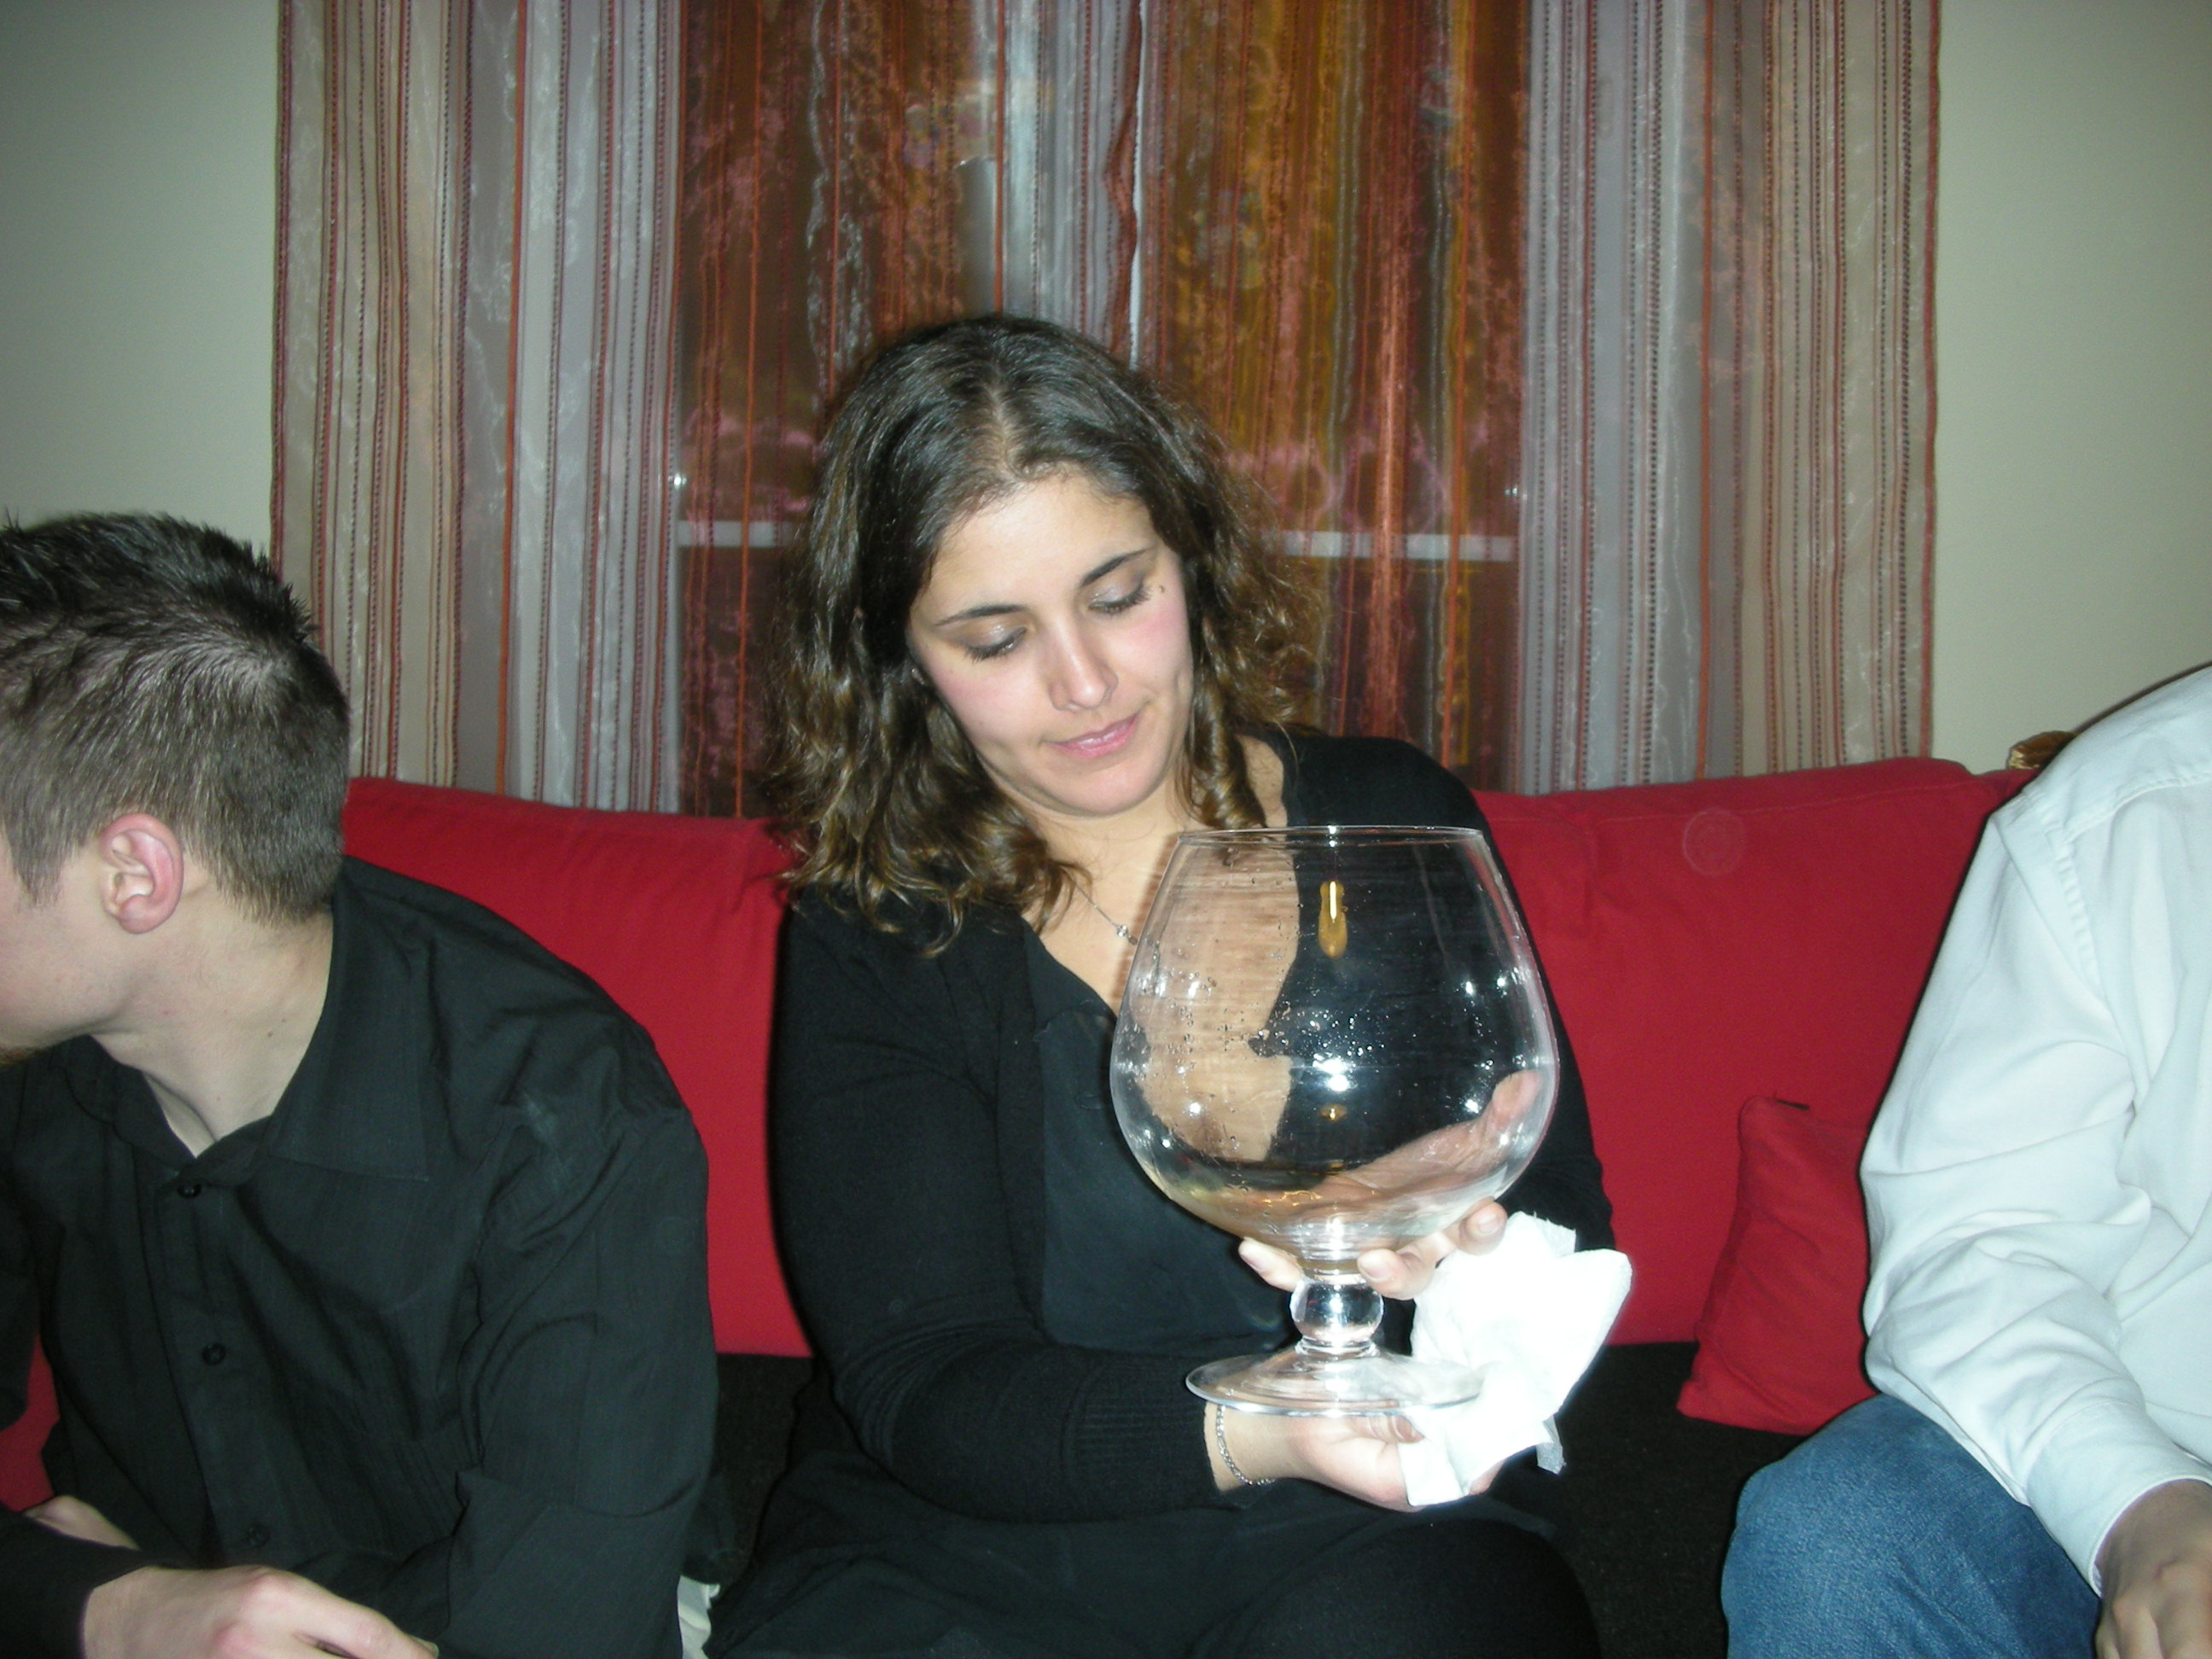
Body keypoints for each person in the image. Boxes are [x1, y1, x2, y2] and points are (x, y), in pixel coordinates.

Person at [710, 316, 1612, 1659]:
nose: (1083, 685)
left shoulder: (1392, 822)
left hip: (1367, 1527)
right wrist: (1259, 1428)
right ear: (903, 657)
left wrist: (1467, 1263)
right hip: (963, 1549)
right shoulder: (881, 924)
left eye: (1120, 595)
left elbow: (1557, 1218)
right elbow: (930, 1389)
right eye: (994, 639)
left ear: (1190, 554)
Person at [0, 515, 718, 1658]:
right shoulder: (36, 1050)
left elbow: (566, 1620)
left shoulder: (566, 1119)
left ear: (135, 874)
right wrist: (104, 1607)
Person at [1721, 666, 2212, 1659]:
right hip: (2170, 1448)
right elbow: (1982, 1240)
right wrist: (2141, 1507)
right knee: (1844, 1540)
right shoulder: (2134, 809)